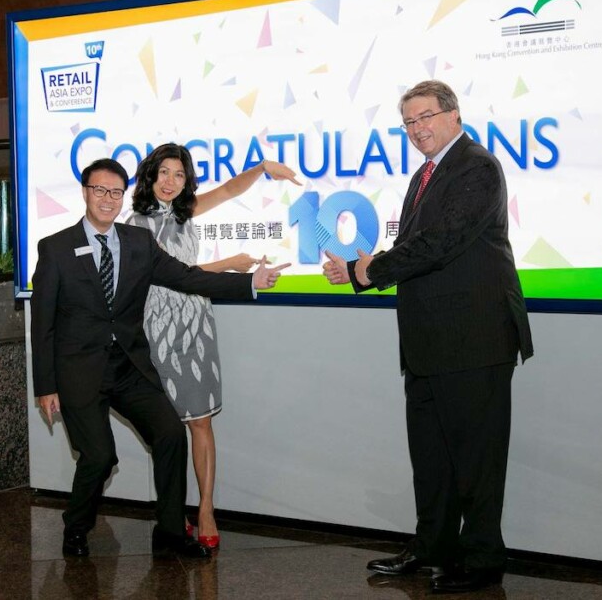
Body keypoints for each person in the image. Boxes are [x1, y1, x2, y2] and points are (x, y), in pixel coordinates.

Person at [323, 80, 533, 593]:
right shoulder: (425, 174)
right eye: (409, 123)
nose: (418, 129)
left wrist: (365, 273)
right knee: (433, 459)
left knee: (476, 462)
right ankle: (433, 545)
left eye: (426, 117)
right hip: (427, 344)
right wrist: (361, 268)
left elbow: (441, 243)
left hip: (473, 340)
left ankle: (483, 560)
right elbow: (417, 247)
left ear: (454, 114)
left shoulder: (476, 167)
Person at [31, 157, 287, 559]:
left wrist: (248, 282)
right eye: (100, 190)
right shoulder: (56, 248)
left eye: (115, 192)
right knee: (100, 457)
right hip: (80, 372)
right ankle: (76, 527)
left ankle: (170, 534)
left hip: (129, 366)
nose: (108, 199)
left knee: (170, 434)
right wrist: (45, 386)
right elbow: (42, 322)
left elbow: (187, 277)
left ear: (121, 196)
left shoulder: (137, 243)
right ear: (85, 193)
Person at [126, 143, 301, 549]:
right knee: (165, 429)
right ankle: (171, 512)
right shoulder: (134, 224)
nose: (170, 182)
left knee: (201, 422)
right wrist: (230, 264)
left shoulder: (187, 213)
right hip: (155, 329)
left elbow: (228, 191)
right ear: (150, 176)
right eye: (163, 173)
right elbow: (171, 274)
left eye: (179, 175)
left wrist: (260, 167)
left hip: (194, 325)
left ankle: (205, 508)